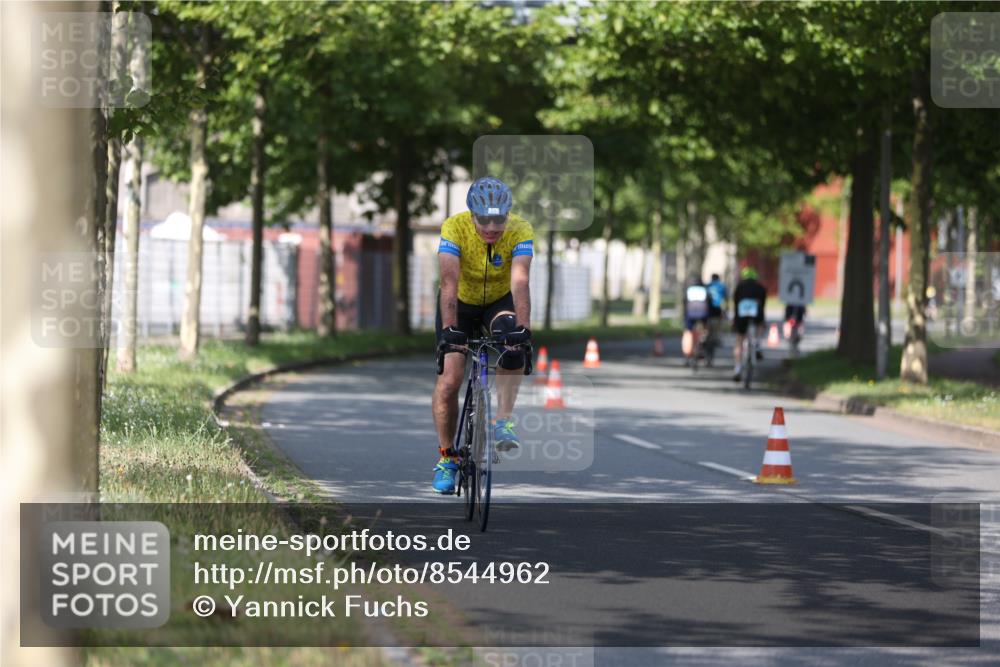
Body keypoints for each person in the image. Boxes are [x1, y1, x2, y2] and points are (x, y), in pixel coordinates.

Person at [432, 176, 534, 494]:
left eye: (499, 219)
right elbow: (448, 282)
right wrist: (450, 329)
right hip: (459, 303)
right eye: (484, 219)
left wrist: (524, 327)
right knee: (450, 380)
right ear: (471, 214)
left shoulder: (521, 229)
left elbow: (520, 280)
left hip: (498, 302)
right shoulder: (454, 227)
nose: (492, 227)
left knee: (513, 344)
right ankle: (447, 457)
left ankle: (503, 419)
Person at [732, 266, 766, 381]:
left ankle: (737, 368)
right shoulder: (760, 288)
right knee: (760, 325)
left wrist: (735, 321)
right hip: (756, 315)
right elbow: (763, 304)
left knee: (739, 340)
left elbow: (735, 304)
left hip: (741, 315)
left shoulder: (739, 288)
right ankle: (758, 344)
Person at [682, 278, 710, 363]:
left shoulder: (689, 290)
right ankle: (702, 341)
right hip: (702, 315)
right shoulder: (704, 290)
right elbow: (708, 302)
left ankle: (687, 353)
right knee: (705, 328)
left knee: (688, 332)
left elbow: (684, 302)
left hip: (690, 314)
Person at [705, 273, 728, 351]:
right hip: (718, 308)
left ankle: (706, 337)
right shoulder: (722, 286)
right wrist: (726, 310)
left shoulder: (707, 286)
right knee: (718, 325)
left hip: (708, 308)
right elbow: (725, 298)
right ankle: (716, 338)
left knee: (707, 325)